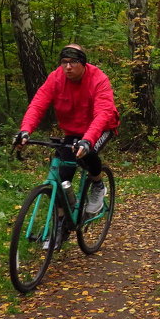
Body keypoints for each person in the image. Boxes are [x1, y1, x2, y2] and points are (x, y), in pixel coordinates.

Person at [14, 44, 120, 217]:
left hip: (101, 128)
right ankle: (61, 225)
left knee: (88, 153)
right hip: (73, 131)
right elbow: (38, 105)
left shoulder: (98, 79)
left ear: (83, 63)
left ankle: (98, 185)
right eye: (64, 62)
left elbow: (103, 113)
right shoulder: (55, 78)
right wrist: (25, 130)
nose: (68, 67)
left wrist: (88, 140)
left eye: (73, 62)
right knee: (63, 175)